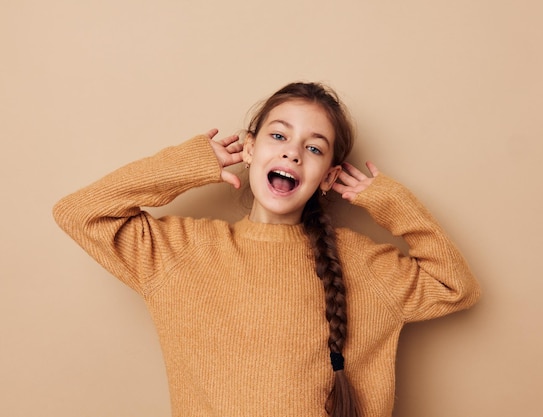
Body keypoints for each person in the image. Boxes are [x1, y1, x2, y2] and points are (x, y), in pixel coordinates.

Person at [53, 82, 480, 417]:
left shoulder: (362, 264)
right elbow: (80, 212)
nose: (292, 152)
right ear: (250, 147)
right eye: (279, 136)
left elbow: (455, 286)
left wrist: (390, 202)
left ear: (328, 177)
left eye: (313, 148)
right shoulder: (179, 252)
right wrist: (188, 164)